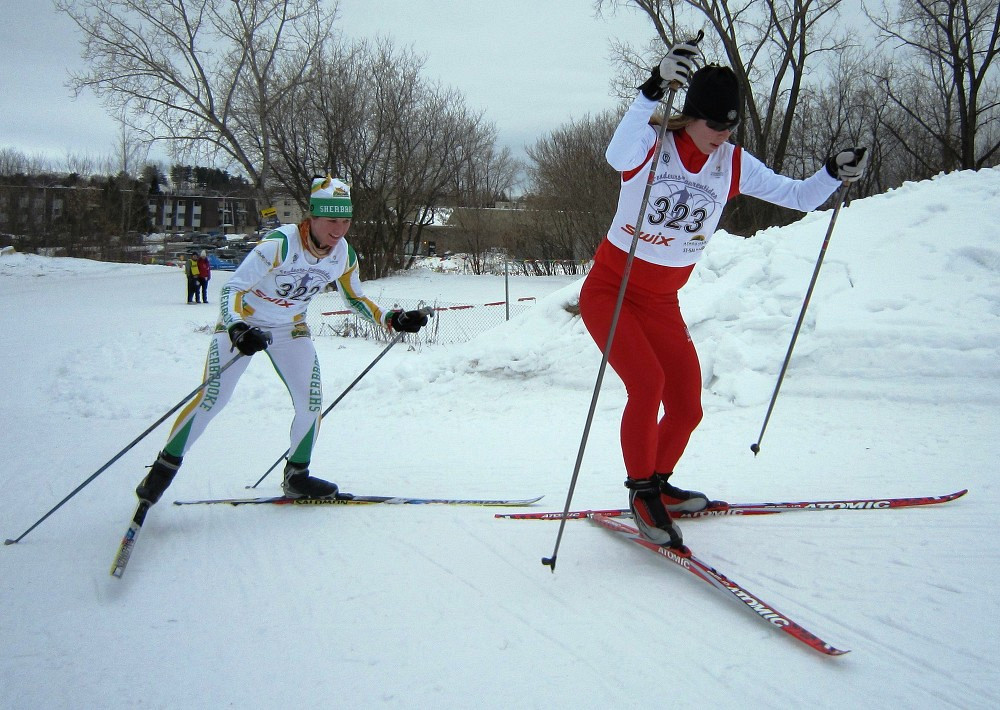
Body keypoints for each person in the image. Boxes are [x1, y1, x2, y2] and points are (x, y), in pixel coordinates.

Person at [578, 42, 868, 549]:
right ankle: (641, 492)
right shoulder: (650, 146)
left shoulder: (732, 162)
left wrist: (830, 172)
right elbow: (613, 154)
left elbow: (796, 196)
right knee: (646, 385)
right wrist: (651, 89)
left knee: (687, 404)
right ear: (691, 117)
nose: (723, 135)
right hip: (612, 291)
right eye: (715, 125)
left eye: (731, 127)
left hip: (662, 302)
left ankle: (662, 486)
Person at [135, 176, 429, 504]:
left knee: (311, 402)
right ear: (312, 218)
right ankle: (162, 471)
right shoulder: (281, 244)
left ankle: (297, 477)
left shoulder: (343, 255)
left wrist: (392, 318)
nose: (339, 230)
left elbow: (356, 299)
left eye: (345, 221)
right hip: (245, 324)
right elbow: (233, 288)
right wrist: (236, 327)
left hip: (290, 329)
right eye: (331, 220)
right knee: (213, 397)